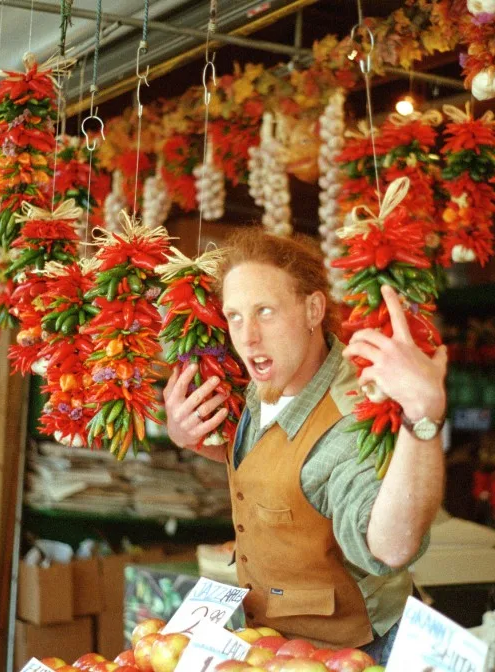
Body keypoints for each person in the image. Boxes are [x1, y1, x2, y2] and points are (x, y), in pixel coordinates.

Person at [163, 231, 446, 660]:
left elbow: (391, 545)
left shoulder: (352, 415)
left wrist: (422, 417)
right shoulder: (269, 382)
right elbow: (275, 462)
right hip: (274, 641)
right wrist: (187, 437)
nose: (248, 337)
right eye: (235, 316)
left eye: (265, 312)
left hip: (351, 652)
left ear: (313, 309)